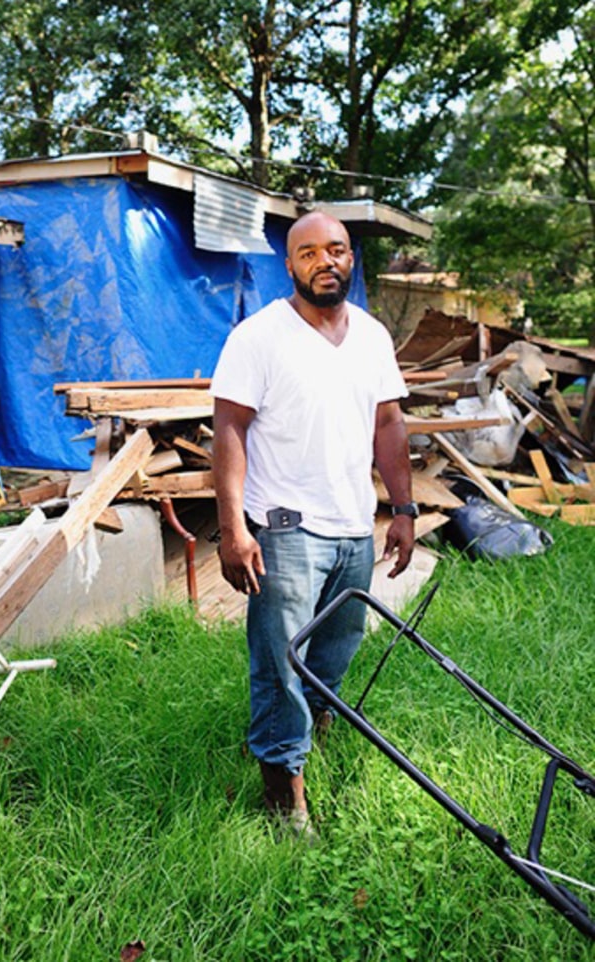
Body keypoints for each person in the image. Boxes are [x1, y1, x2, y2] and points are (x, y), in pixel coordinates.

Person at [210, 210, 416, 836]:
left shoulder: (374, 336)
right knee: (280, 662)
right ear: (290, 264)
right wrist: (232, 528)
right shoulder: (258, 337)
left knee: (334, 652)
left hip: (354, 525)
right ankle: (284, 797)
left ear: (352, 259)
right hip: (285, 527)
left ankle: (308, 739)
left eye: (338, 250)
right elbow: (229, 429)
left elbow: (388, 425)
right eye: (309, 253)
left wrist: (403, 509)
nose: (326, 262)